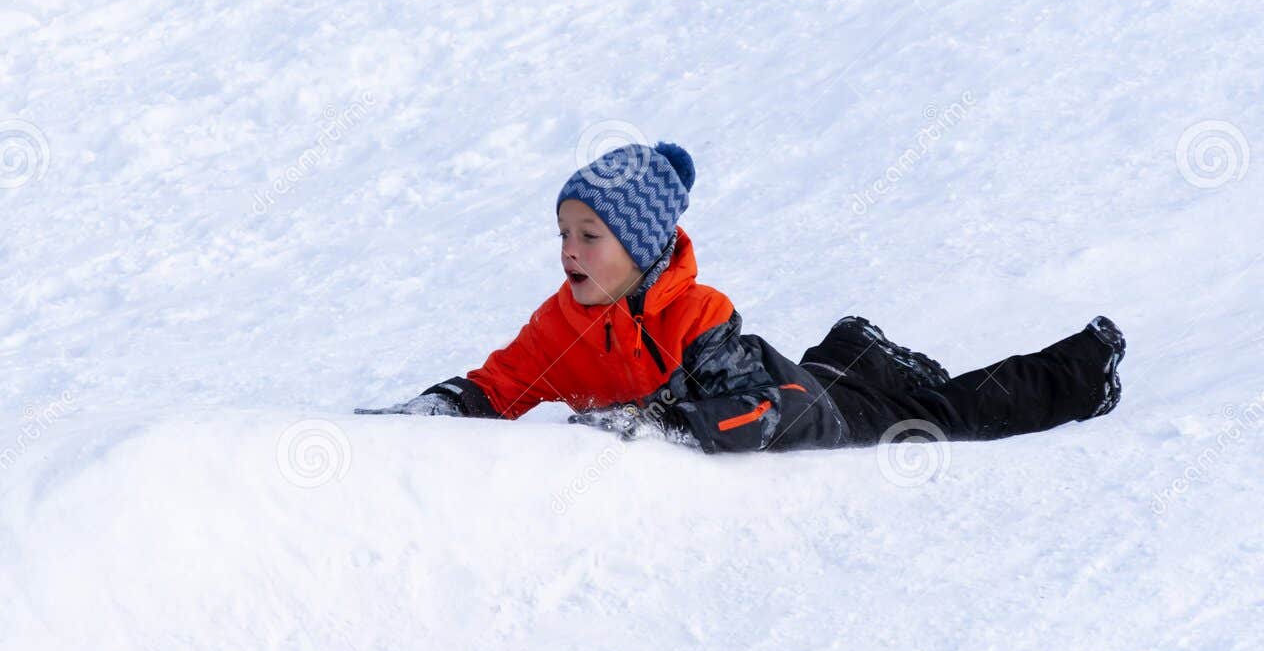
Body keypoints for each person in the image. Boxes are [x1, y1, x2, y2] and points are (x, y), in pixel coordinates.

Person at [358, 142, 1125, 454]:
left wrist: (659, 424)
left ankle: (1085, 369)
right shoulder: (564, 322)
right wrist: (441, 407)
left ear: (644, 244)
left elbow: (759, 411)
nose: (568, 252)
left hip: (822, 416)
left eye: (590, 235)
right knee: (838, 368)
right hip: (806, 381)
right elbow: (505, 385)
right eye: (563, 232)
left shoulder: (699, 317)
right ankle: (854, 347)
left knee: (943, 420)